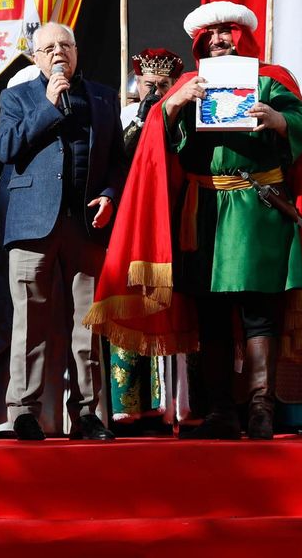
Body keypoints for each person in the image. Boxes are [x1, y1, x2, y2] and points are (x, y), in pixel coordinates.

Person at [88, 1, 302, 441]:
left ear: (242, 36)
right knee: (212, 317)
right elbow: (154, 144)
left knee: (259, 313)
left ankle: (260, 410)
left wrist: (277, 119)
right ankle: (221, 412)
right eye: (211, 35)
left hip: (257, 211)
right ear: (200, 42)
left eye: (227, 32)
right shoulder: (186, 83)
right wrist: (174, 104)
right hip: (203, 213)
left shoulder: (270, 79)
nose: (219, 40)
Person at [0, 22, 127, 441]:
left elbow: (118, 162)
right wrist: (49, 105)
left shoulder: (105, 97)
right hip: (33, 224)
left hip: (86, 225)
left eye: (65, 45)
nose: (57, 53)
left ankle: (87, 414)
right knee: (29, 323)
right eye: (48, 47)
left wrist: (109, 193)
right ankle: (24, 412)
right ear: (35, 57)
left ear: (76, 50)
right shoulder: (18, 97)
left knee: (88, 324)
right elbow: (6, 149)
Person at [111, 46, 184, 430]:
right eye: (148, 84)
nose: (154, 92)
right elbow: (116, 162)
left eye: (162, 86)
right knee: (129, 307)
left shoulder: (182, 117)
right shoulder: (121, 117)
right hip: (128, 222)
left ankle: (169, 405)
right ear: (136, 83)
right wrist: (141, 123)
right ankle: (127, 405)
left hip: (168, 223)